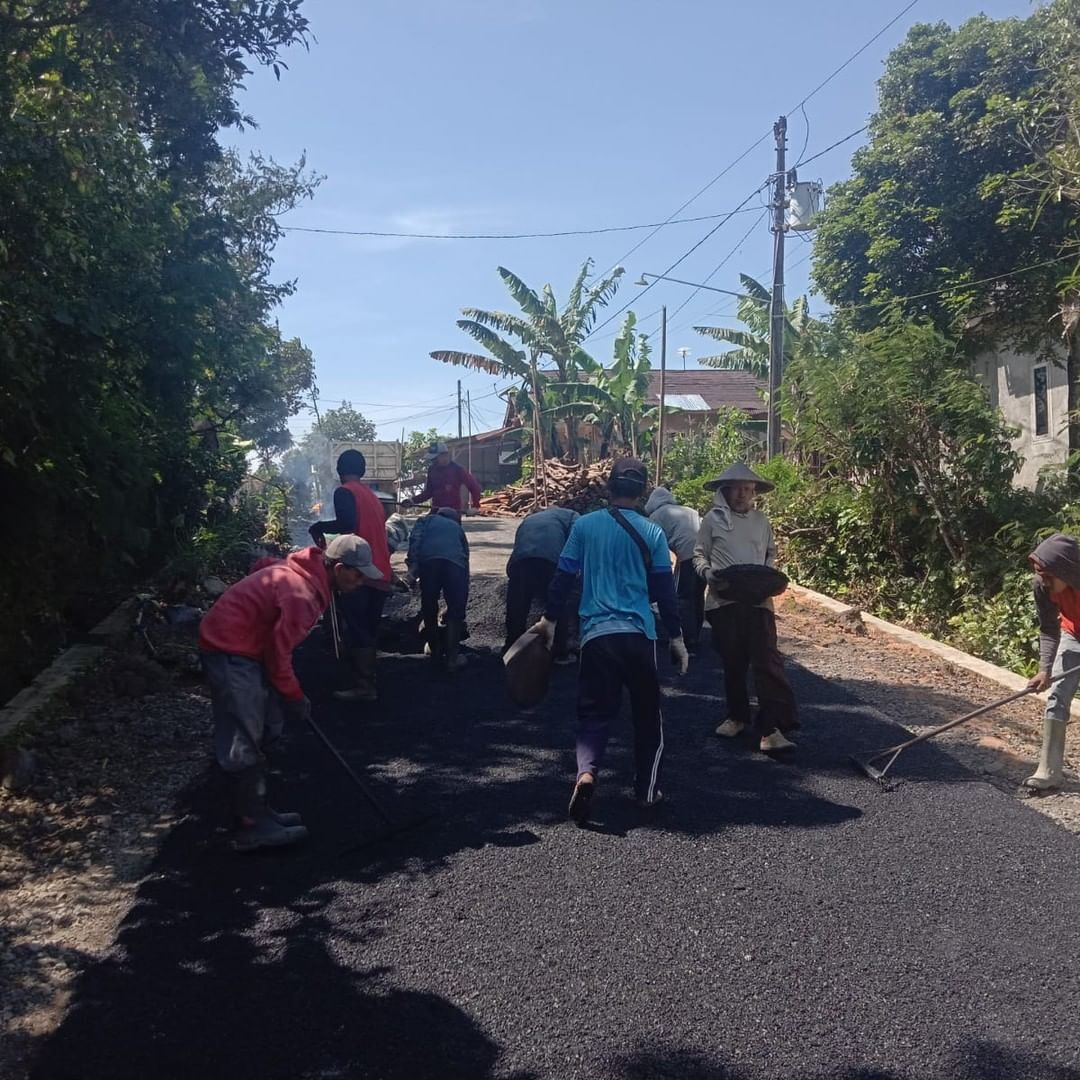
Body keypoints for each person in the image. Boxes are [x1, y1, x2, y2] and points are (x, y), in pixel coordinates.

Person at [199, 535, 384, 852]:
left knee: (270, 725)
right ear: (338, 568)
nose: (363, 580)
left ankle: (257, 809)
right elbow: (278, 655)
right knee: (244, 735)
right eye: (358, 574)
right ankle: (250, 826)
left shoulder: (302, 571)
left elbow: (262, 566)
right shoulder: (302, 595)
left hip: (247, 647)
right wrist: (295, 696)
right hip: (229, 649)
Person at [530, 458, 689, 825]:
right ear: (643, 491)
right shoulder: (653, 533)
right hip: (639, 636)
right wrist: (677, 638)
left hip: (597, 637)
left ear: (609, 487)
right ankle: (647, 792)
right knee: (648, 717)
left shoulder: (584, 527)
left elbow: (563, 577)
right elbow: (666, 592)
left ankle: (586, 774)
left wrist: (550, 620)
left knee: (594, 715)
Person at [694, 462, 798, 753]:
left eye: (747, 489)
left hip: (759, 601)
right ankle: (737, 716)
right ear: (725, 491)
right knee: (733, 662)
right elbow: (699, 554)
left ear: (754, 493)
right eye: (737, 489)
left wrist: (765, 576)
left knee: (766, 661)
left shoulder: (761, 521)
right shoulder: (711, 521)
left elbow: (770, 553)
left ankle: (771, 729)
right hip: (724, 601)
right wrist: (708, 574)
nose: (742, 494)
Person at [309, 449, 394, 703]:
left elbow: (347, 524)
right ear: (363, 470)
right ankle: (368, 678)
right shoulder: (371, 495)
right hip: (380, 570)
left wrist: (320, 527)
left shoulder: (344, 492)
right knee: (368, 627)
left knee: (358, 628)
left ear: (339, 469)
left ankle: (364, 686)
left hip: (359, 570)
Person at [1023, 533, 1080, 792]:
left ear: (1065, 570)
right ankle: (1049, 771)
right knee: (1057, 696)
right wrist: (1044, 669)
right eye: (1040, 575)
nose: (1043, 581)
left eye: (1048, 576)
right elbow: (1048, 628)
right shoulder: (1042, 586)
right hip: (1073, 634)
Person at [505, 506, 580, 662]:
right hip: (550, 560)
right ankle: (561, 651)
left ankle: (512, 648)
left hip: (522, 559)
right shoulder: (574, 516)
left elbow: (518, 547)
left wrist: (514, 576)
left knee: (517, 604)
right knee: (558, 601)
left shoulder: (530, 519)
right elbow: (575, 545)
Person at [406, 506, 471, 672]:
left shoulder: (425, 521)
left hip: (429, 562)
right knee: (456, 612)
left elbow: (415, 541)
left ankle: (434, 650)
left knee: (429, 605)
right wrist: (458, 599)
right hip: (456, 566)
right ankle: (451, 660)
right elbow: (465, 556)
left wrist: (413, 570)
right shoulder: (457, 529)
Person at [645, 485, 704, 649]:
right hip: (705, 555)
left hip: (687, 555)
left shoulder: (656, 515)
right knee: (698, 595)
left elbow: (652, 544)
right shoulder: (687, 510)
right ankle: (696, 634)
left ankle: (686, 638)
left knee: (683, 596)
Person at [402, 442, 482, 514]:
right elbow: (429, 492)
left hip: (452, 512)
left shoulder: (457, 470)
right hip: (436, 510)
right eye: (432, 460)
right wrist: (412, 501)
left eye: (435, 459)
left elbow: (474, 487)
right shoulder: (432, 470)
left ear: (445, 456)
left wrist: (475, 506)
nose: (433, 462)